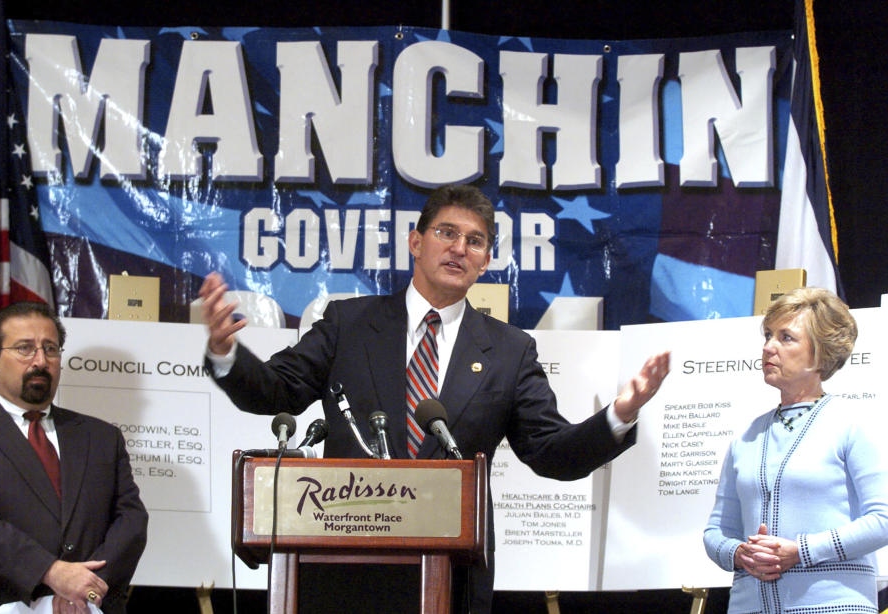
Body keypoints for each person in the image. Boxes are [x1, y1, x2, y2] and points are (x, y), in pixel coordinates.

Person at [201, 184, 669, 613]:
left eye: (475, 240)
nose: (459, 248)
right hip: (340, 572)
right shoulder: (349, 324)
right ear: (416, 242)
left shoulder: (509, 350)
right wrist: (226, 354)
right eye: (446, 232)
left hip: (450, 578)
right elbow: (275, 389)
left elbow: (552, 453)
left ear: (485, 262)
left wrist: (620, 414)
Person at [0, 303, 148, 614]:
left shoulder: (101, 438)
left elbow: (132, 521)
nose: (41, 361)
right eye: (25, 349)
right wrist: (52, 572)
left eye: (51, 349)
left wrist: (87, 588)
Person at [703, 287, 888, 613]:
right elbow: (716, 532)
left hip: (834, 606)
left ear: (821, 353)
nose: (768, 347)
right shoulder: (745, 438)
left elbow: (883, 520)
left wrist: (801, 550)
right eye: (768, 335)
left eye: (786, 338)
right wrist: (738, 554)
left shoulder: (852, 425)